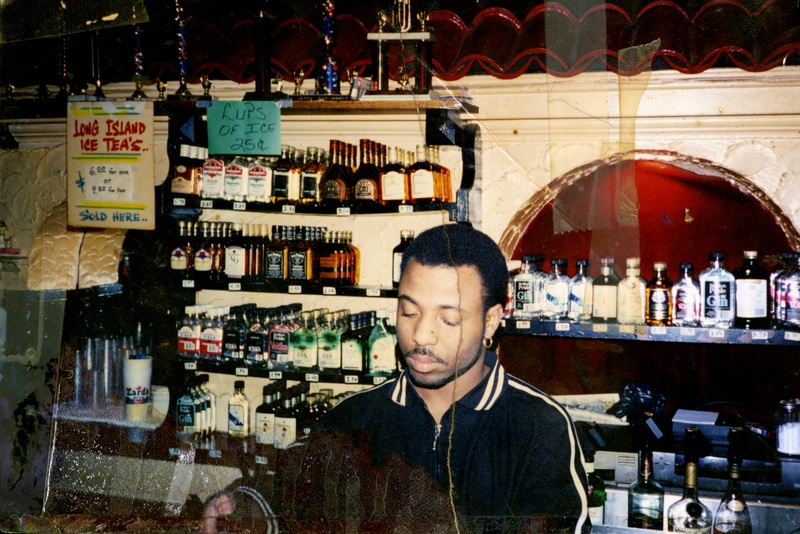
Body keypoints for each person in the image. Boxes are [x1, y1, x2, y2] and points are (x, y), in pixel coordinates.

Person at [203, 223, 590, 533]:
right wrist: (245, 506)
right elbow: (290, 496)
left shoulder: (538, 427)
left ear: (491, 321)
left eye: (449, 319)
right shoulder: (355, 419)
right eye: (409, 312)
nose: (422, 335)